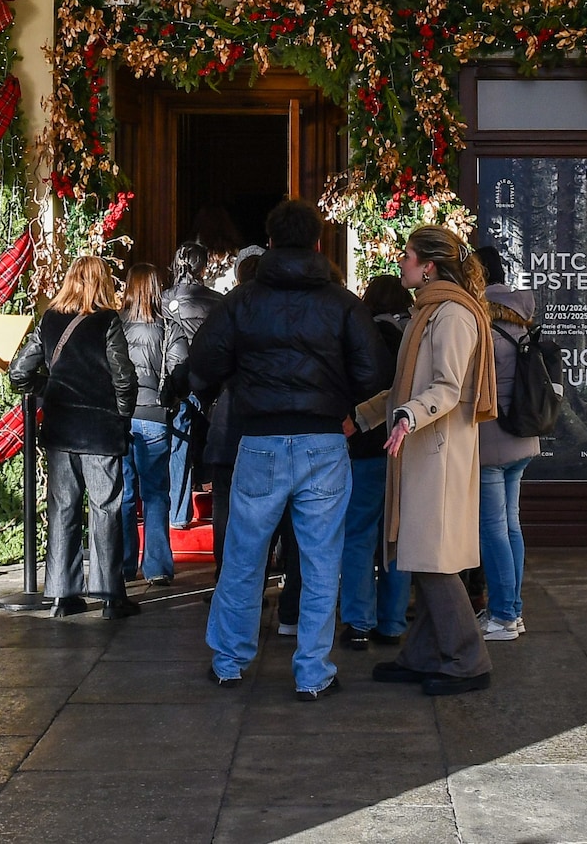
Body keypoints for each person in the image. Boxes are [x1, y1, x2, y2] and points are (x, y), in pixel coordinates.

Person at [189, 198, 385, 700]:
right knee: (322, 561)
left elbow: (203, 363)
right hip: (324, 441)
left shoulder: (243, 300)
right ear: (318, 244)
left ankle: (230, 660)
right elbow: (373, 375)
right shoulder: (343, 303)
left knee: (244, 557)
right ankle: (313, 672)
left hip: (259, 442)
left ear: (271, 242)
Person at [356, 225, 497, 695]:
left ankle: (468, 658)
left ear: (429, 265)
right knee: (424, 556)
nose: (401, 262)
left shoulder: (451, 314)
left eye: (407, 255)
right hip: (426, 450)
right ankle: (422, 654)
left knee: (434, 561)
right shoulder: (431, 311)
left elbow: (447, 389)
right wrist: (365, 417)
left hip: (437, 454)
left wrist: (405, 419)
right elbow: (406, 387)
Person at [8, 255, 140, 619]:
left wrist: (47, 388)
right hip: (99, 431)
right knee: (106, 509)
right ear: (102, 283)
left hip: (61, 429)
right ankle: (110, 597)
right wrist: (123, 415)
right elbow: (124, 377)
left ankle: (62, 597)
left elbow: (19, 372)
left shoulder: (49, 320)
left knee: (62, 509)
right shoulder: (107, 321)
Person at [338, 274, 411, 650]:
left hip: (365, 447)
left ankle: (359, 622)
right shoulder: (414, 335)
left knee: (359, 536)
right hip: (404, 451)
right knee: (395, 539)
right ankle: (394, 622)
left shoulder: (364, 337)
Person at [473, 244, 538, 641]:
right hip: (524, 435)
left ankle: (501, 616)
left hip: (492, 438)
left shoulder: (478, 320)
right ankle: (513, 611)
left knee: (493, 527)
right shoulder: (521, 316)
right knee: (511, 524)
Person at [118, 262, 176, 586]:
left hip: (122, 414)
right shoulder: (168, 327)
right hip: (155, 413)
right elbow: (179, 367)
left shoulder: (115, 324)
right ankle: (157, 567)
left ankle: (126, 564)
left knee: (125, 493)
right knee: (156, 494)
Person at [160, 241, 222, 531]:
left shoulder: (161, 300)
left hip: (174, 380)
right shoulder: (216, 301)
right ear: (203, 267)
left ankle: (178, 512)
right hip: (206, 381)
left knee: (177, 443)